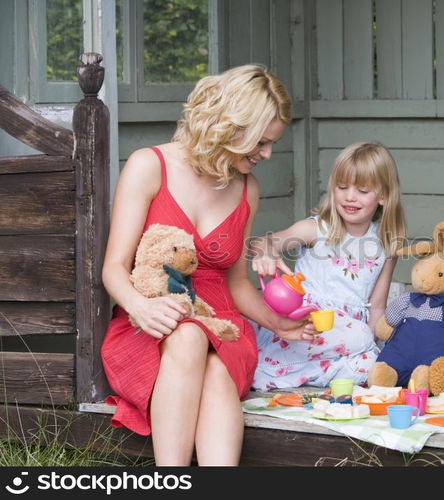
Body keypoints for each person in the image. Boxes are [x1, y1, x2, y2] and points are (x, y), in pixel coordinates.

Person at [100, 65, 310, 466]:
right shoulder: (149, 166)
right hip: (151, 318)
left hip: (223, 323)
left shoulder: (247, 188)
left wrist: (277, 323)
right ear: (229, 127)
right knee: (188, 336)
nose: (266, 154)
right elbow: (114, 267)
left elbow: (236, 282)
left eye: (271, 144)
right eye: (261, 142)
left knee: (216, 370)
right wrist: (141, 307)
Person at [251, 141, 407, 390]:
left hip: (349, 336)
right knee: (361, 338)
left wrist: (378, 344)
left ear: (384, 196)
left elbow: (376, 306)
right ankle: (272, 366)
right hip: (306, 324)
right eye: (342, 186)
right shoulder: (316, 229)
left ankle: (298, 373)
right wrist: (266, 254)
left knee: (372, 361)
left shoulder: (387, 245)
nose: (350, 196)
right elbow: (265, 242)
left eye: (363, 190)